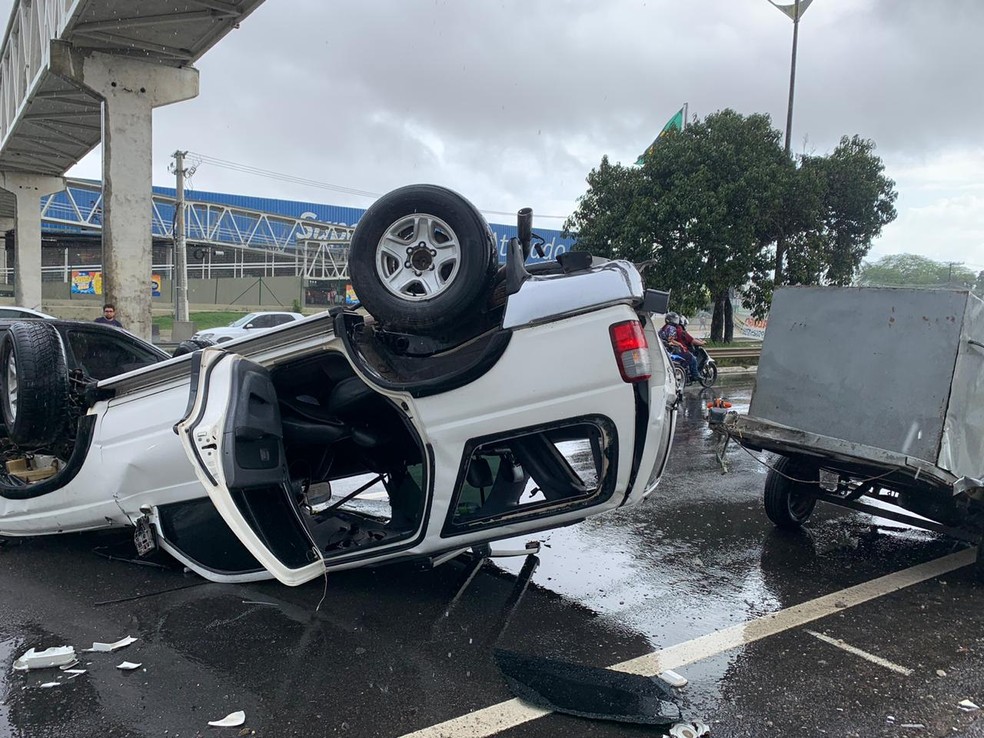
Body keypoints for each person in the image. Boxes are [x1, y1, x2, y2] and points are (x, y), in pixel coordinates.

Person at [658, 312, 700, 379]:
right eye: (674, 319)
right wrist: (680, 344)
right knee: (692, 358)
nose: (676, 321)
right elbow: (671, 340)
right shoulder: (672, 328)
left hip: (665, 350)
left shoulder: (663, 328)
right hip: (671, 350)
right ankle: (695, 375)